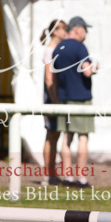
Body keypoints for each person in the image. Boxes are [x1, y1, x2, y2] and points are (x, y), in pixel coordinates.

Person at [51, 16, 98, 188]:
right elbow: (86, 72)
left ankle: (67, 176)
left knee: (66, 137)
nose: (86, 34)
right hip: (81, 99)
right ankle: (82, 178)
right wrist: (94, 68)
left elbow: (54, 77)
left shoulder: (57, 48)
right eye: (85, 30)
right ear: (77, 29)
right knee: (83, 137)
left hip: (63, 99)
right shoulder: (80, 47)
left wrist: (56, 98)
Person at [41, 18, 69, 185]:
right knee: (51, 135)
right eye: (62, 29)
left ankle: (52, 173)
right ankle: (49, 174)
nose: (65, 32)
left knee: (56, 134)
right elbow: (48, 78)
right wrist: (55, 100)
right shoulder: (50, 50)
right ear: (54, 31)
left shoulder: (56, 49)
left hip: (56, 97)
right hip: (52, 98)